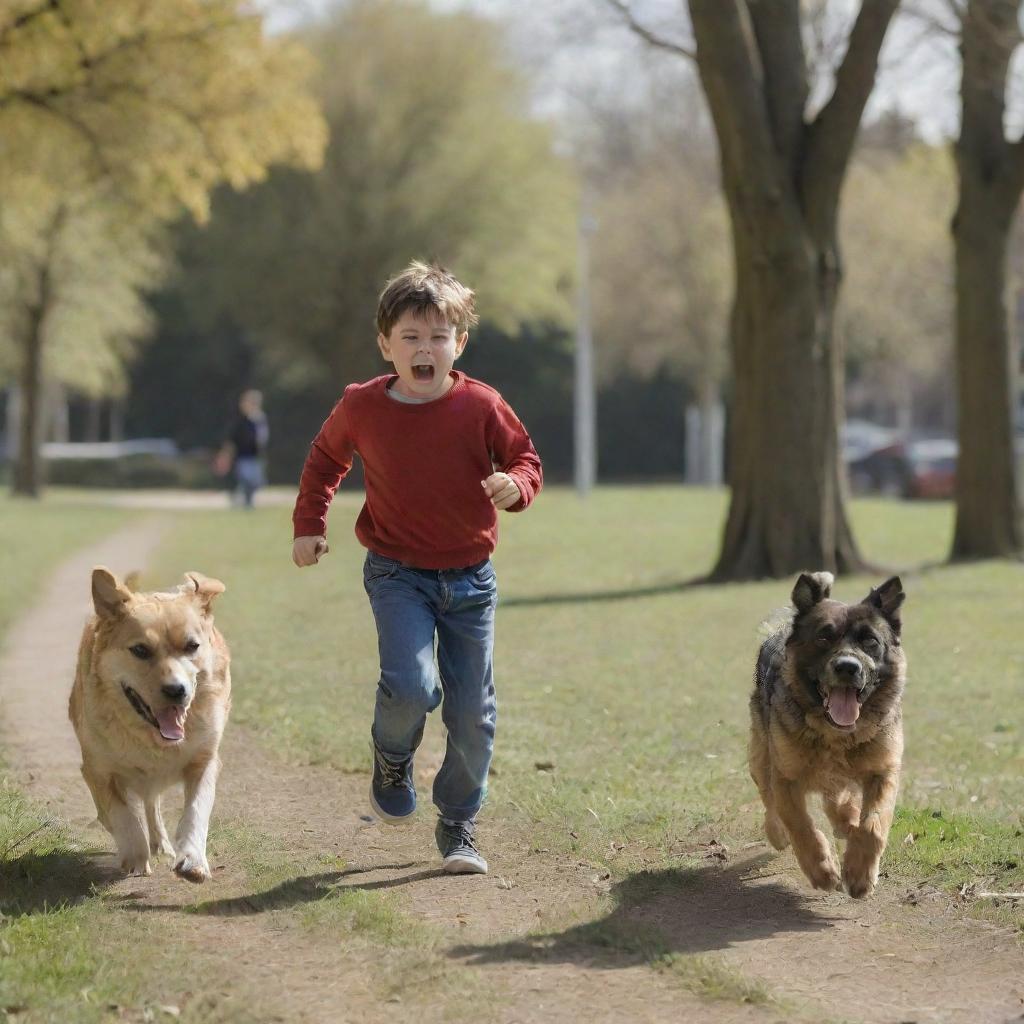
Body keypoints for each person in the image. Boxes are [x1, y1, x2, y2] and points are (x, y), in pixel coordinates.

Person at [291, 261, 542, 875]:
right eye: (410, 337)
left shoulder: (482, 404)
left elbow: (524, 457)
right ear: (386, 345)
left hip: (470, 580)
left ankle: (458, 822)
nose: (424, 348)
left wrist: (516, 485)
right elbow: (325, 460)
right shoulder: (362, 406)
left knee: (472, 715)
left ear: (459, 343)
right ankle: (392, 754)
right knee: (412, 687)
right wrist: (308, 527)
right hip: (397, 572)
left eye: (438, 336)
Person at [217, 389, 269, 508]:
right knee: (246, 481)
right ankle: (244, 503)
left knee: (256, 483)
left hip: (255, 457)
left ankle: (243, 501)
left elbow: (262, 439)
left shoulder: (259, 420)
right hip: (242, 457)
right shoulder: (240, 422)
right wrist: (225, 455)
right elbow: (231, 440)